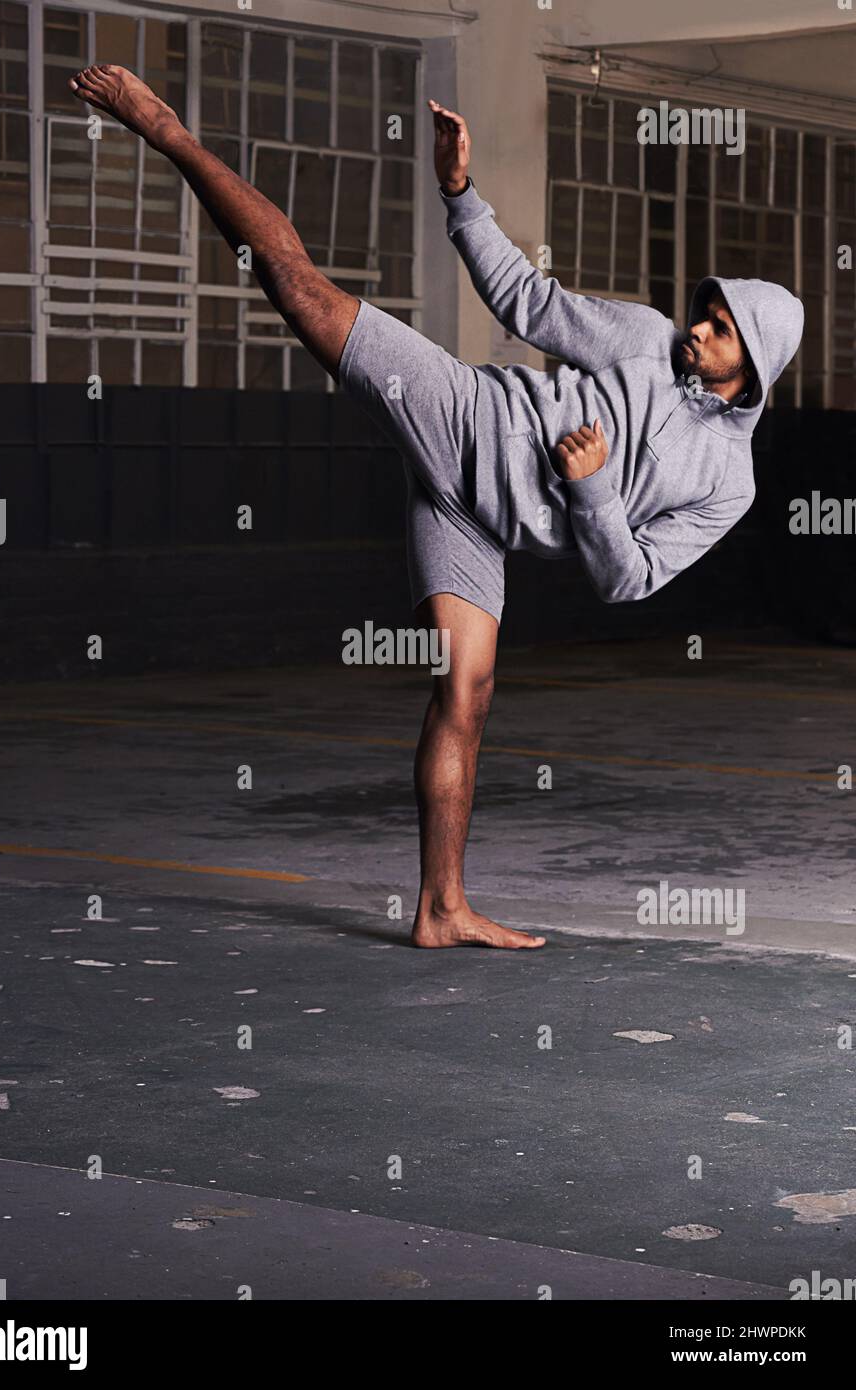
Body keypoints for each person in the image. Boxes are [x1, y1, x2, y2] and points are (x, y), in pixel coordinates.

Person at [68, 67, 804, 950]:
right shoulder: (644, 339)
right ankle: (169, 131)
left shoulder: (730, 482)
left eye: (720, 330)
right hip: (461, 413)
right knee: (296, 282)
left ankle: (440, 908)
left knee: (469, 691)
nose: (696, 330)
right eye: (704, 313)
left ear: (752, 368)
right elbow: (532, 302)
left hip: (475, 523)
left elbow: (628, 579)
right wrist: (460, 192)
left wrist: (594, 490)